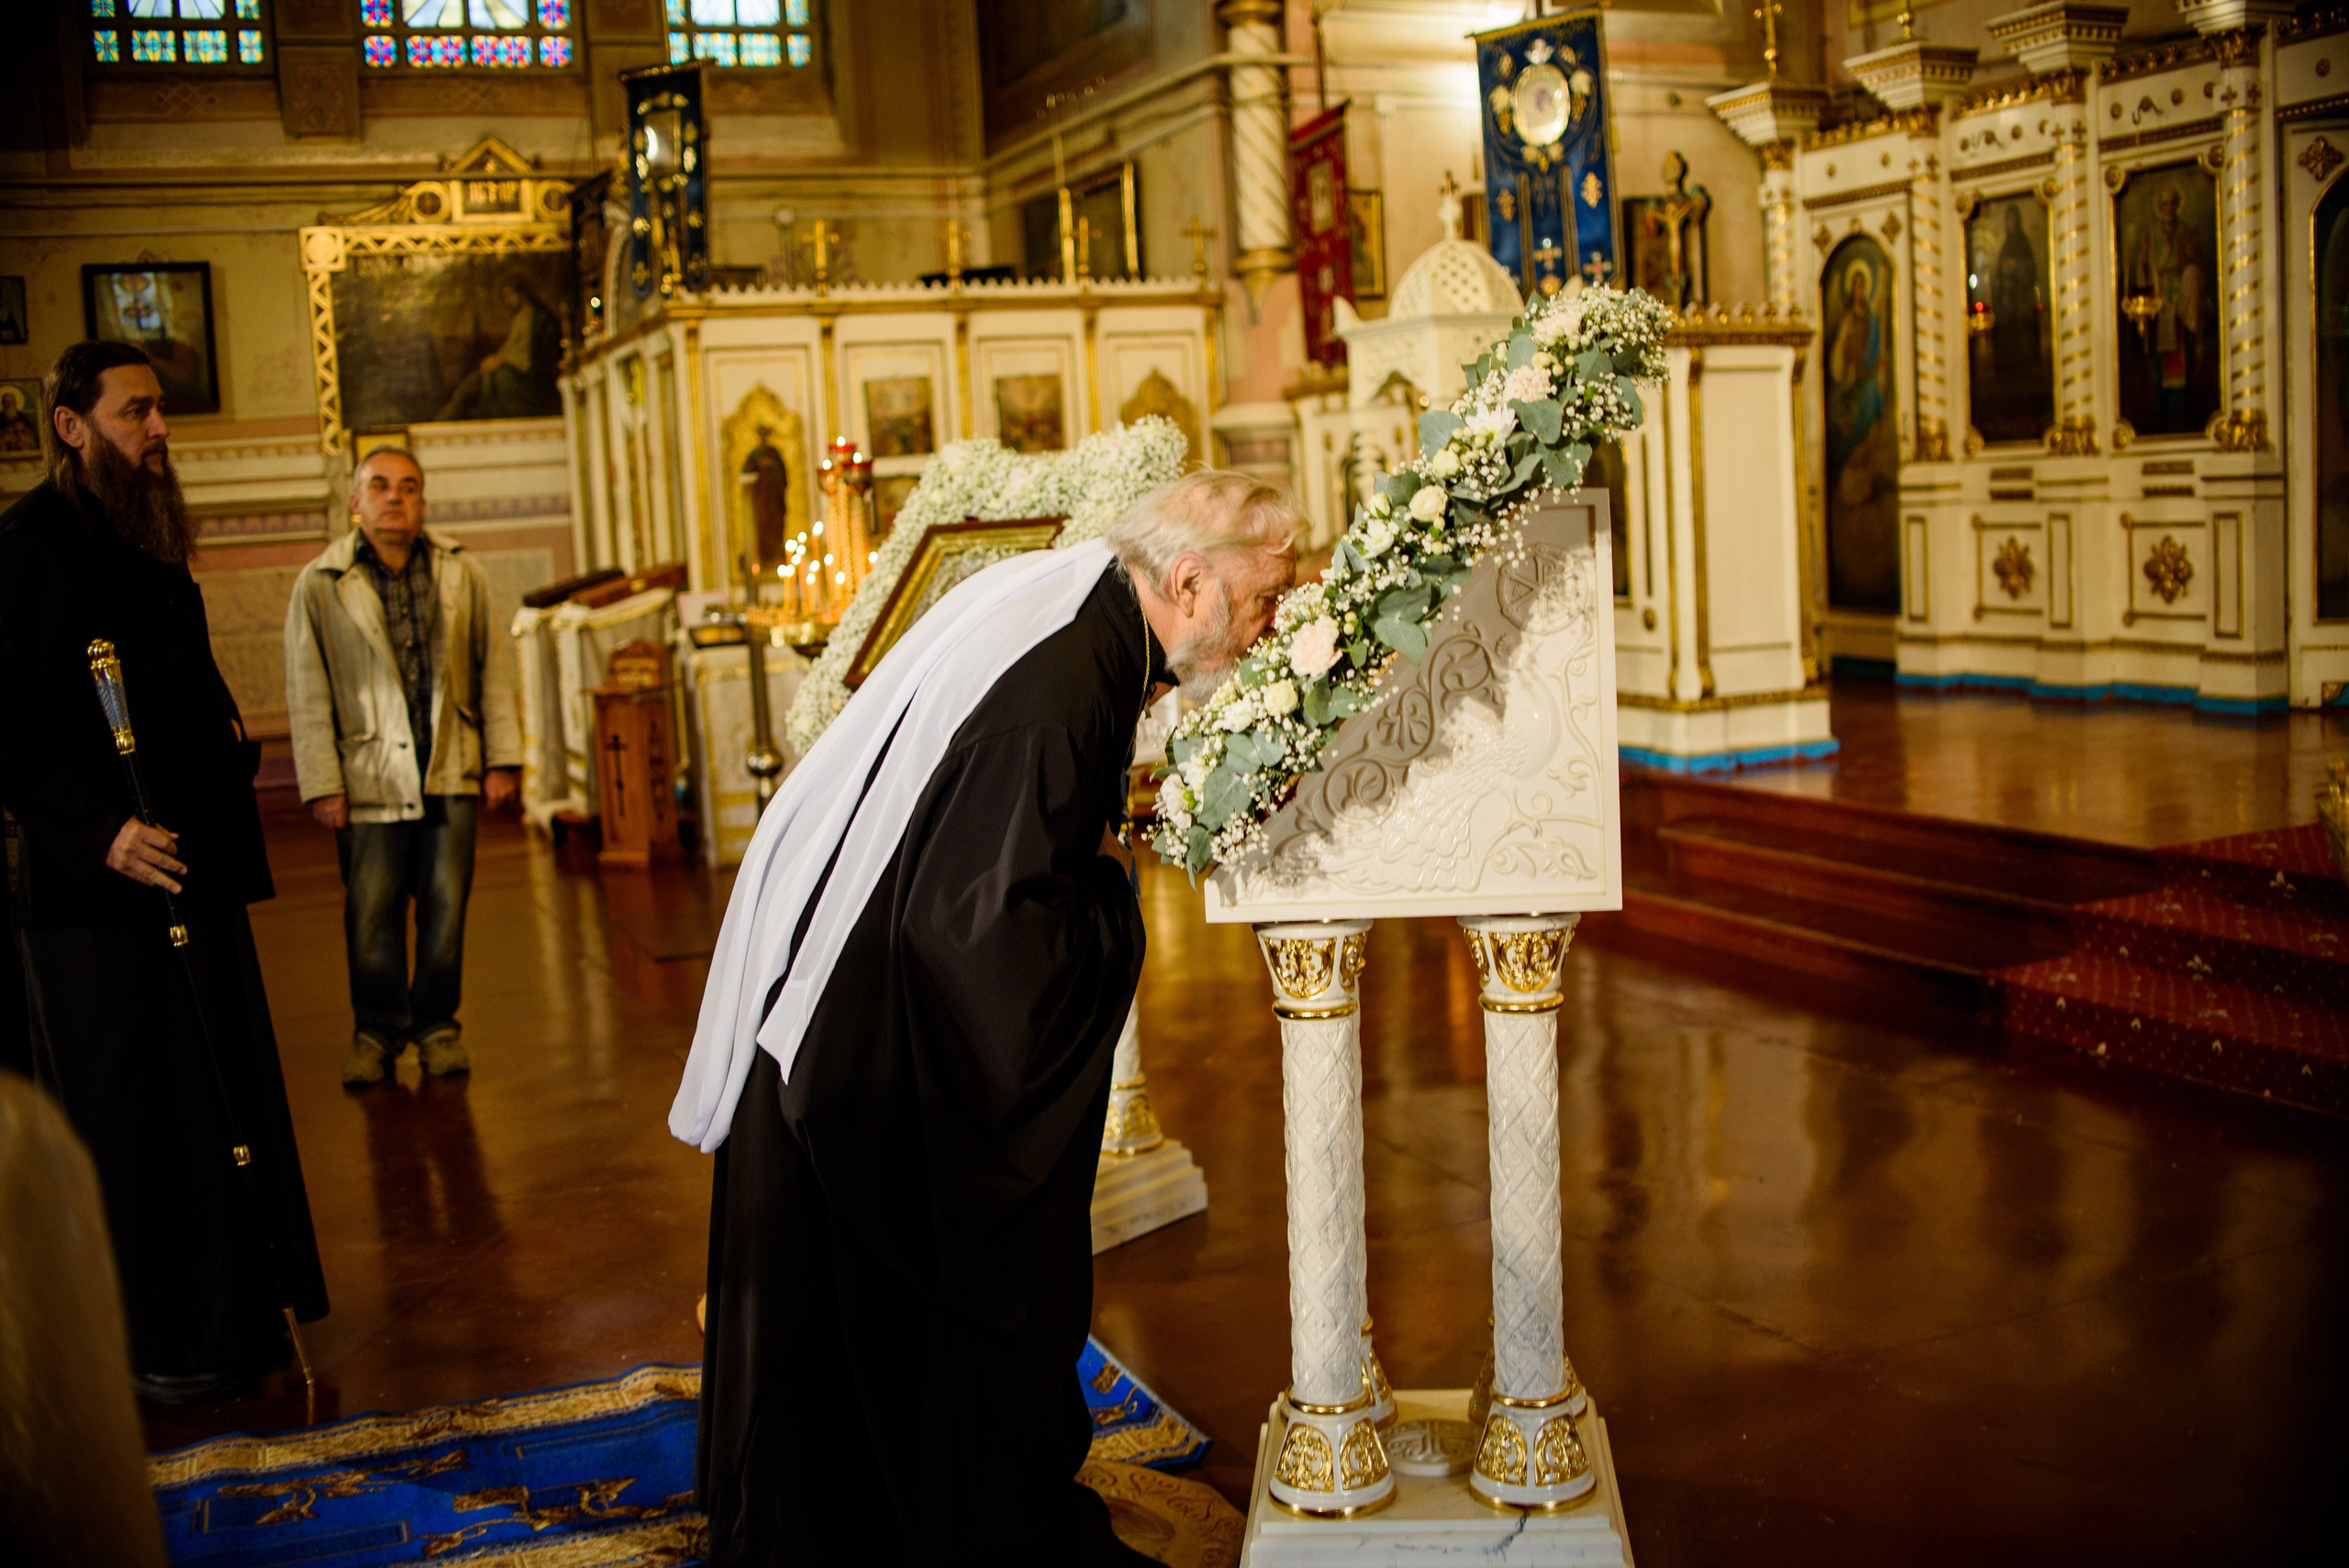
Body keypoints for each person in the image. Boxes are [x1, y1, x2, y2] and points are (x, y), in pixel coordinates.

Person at [674, 470, 1297, 1566]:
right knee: (952, 1296)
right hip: (863, 1044)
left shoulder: (1075, 599)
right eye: (1260, 603)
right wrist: (1112, 904)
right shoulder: (1068, 684)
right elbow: (978, 936)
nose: (1266, 629)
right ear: (1189, 580)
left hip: (838, 988)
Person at [0, 339, 327, 1404]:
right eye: (136, 412)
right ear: (71, 424)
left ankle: (236, 1313)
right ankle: (161, 1335)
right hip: (98, 897)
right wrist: (98, 830)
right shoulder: (31, 545)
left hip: (191, 872)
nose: (158, 430)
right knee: (140, 1122)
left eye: (159, 411)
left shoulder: (144, 527)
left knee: (213, 1099)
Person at [284, 447, 522, 1085]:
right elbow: (308, 691)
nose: (396, 497)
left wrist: (501, 760)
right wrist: (322, 783)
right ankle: (377, 1031)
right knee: (372, 911)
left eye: (409, 487)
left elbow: (491, 668)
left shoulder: (459, 571)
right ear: (355, 502)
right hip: (367, 778)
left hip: (451, 768)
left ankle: (438, 1026)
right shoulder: (321, 581)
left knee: (446, 907)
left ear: (423, 500)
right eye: (380, 486)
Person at [436, 272, 562, 421]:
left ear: (522, 294)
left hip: (527, 376)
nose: (507, 300)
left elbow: (527, 354)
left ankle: (447, 418)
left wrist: (499, 361)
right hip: (515, 367)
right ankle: (447, 417)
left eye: (510, 295)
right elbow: (512, 346)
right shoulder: (521, 317)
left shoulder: (539, 319)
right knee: (476, 381)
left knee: (486, 381)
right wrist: (497, 359)